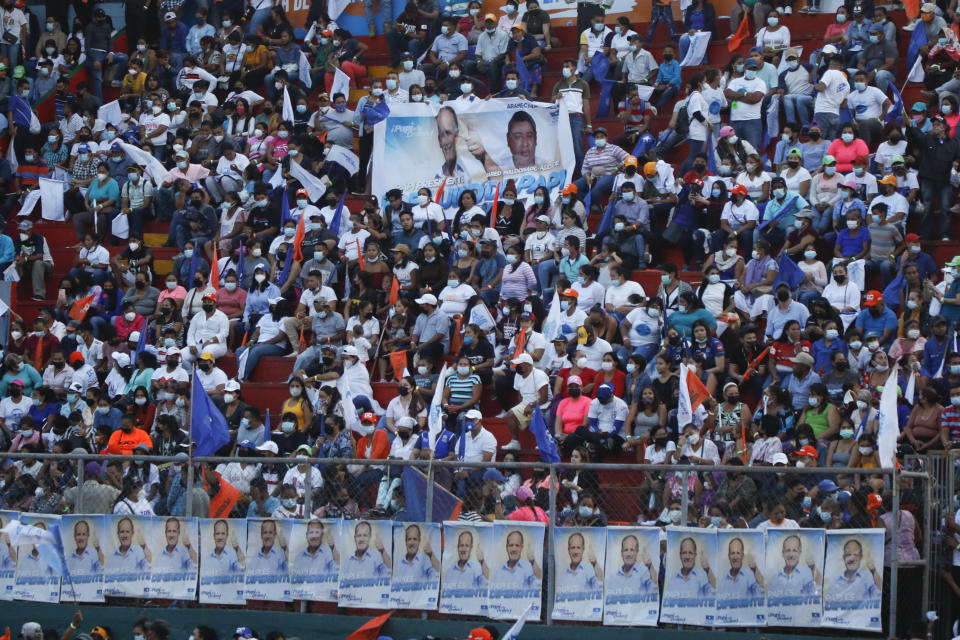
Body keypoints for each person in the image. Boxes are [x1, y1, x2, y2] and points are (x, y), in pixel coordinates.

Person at [766, 534, 822, 599]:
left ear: (799, 553)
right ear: (783, 553)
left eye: (794, 550)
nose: (791, 555)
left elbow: (818, 593)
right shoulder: (774, 577)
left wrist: (813, 567)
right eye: (788, 550)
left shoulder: (808, 574)